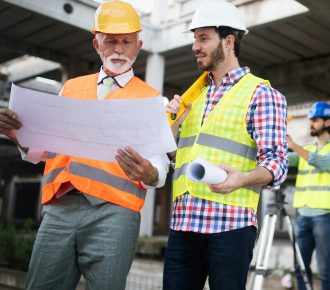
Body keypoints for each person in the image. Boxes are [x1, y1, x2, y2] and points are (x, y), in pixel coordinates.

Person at [0, 1, 169, 289]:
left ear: (139, 46)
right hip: (59, 208)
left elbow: (160, 165)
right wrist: (18, 137)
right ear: (96, 44)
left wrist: (149, 173)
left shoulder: (152, 98)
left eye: (126, 41)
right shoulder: (71, 87)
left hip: (114, 214)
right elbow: (48, 149)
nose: (119, 49)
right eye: (111, 40)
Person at [163, 1, 288, 289]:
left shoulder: (261, 94)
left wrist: (242, 178)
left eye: (203, 37)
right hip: (183, 225)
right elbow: (178, 158)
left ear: (228, 41)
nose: (195, 45)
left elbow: (277, 164)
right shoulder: (192, 97)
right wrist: (171, 128)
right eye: (194, 38)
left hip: (229, 228)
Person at [287, 101, 330, 290]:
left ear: (327, 122)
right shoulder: (306, 150)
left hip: (326, 217)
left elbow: (323, 162)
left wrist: (294, 145)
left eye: (315, 120)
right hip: (303, 217)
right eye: (310, 120)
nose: (311, 124)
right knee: (299, 267)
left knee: (324, 271)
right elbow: (283, 160)